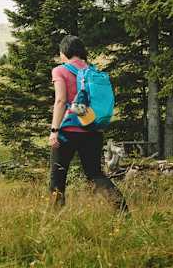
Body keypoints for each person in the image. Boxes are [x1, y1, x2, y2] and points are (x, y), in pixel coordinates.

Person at [49, 35, 128, 212]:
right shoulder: (93, 71)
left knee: (57, 179)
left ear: (64, 53)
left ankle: (54, 220)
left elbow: (60, 101)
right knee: (95, 174)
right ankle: (122, 211)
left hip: (67, 132)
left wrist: (54, 131)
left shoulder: (60, 70)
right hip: (92, 130)